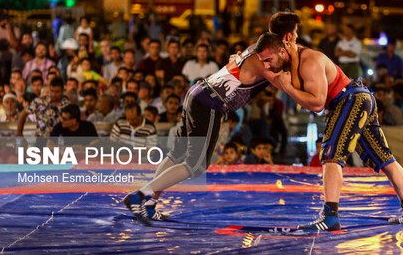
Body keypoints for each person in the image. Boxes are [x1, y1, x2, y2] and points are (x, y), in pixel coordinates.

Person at [123, 12, 300, 225]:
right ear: (288, 36)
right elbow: (291, 85)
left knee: (177, 154)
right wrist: (295, 59)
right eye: (296, 34)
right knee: (195, 166)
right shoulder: (267, 59)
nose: (297, 38)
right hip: (209, 103)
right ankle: (139, 195)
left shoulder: (257, 47)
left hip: (197, 92)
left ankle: (149, 205)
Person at [258, 32, 403, 231]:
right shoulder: (293, 60)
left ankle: (330, 216)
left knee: (331, 155)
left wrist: (289, 89)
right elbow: (279, 79)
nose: (267, 65)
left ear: (284, 50)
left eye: (268, 60)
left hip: (349, 100)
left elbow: (317, 104)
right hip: (359, 98)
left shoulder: (309, 61)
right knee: (384, 158)